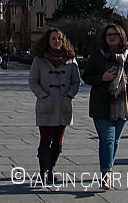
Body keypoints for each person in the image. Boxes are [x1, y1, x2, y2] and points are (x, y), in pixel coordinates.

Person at [82, 23, 128, 190]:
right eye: (109, 34)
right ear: (105, 37)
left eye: (115, 34)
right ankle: (106, 173)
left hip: (123, 105)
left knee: (115, 140)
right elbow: (87, 77)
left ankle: (108, 168)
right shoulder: (97, 55)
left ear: (121, 36)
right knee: (107, 140)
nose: (112, 37)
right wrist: (102, 77)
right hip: (101, 105)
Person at [28, 28, 80, 185]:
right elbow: (33, 81)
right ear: (47, 41)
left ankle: (51, 169)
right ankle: (43, 171)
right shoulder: (39, 60)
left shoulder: (71, 60)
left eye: (60, 38)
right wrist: (43, 96)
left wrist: (69, 95)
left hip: (63, 105)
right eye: (53, 38)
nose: (57, 41)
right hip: (47, 105)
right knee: (45, 139)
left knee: (58, 140)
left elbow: (76, 81)